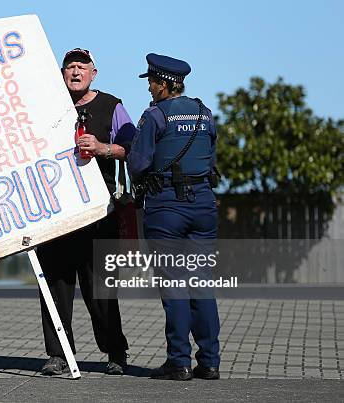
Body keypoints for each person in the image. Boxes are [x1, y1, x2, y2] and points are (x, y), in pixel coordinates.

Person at [37, 48, 136, 376]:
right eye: (69, 67)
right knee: (54, 285)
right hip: (55, 213)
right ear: (61, 74)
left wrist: (103, 148)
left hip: (99, 214)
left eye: (81, 67)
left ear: (94, 73)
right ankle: (58, 354)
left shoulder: (112, 105)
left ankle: (115, 352)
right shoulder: (47, 104)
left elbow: (132, 148)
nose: (75, 72)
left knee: (101, 289)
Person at [127, 53, 221, 381]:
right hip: (204, 206)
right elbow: (209, 161)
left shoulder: (155, 116)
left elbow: (138, 163)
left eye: (152, 83)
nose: (150, 89)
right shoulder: (205, 114)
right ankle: (209, 362)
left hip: (167, 208)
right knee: (201, 284)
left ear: (164, 85)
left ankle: (178, 362)